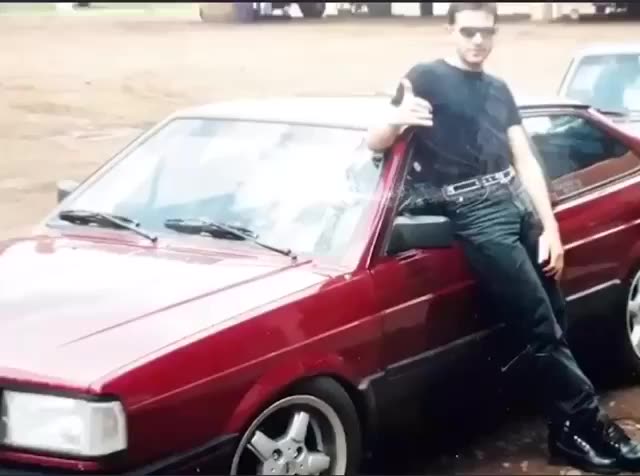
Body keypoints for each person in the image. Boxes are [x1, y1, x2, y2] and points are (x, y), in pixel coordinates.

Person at [365, 2, 640, 474]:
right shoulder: (425, 77)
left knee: (554, 315)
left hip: (515, 201)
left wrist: (550, 227)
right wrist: (396, 120)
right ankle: (588, 425)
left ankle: (566, 436)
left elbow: (525, 157)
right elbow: (376, 140)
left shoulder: (497, 88)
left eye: (486, 32)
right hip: (474, 212)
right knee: (538, 324)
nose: (478, 41)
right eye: (468, 31)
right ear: (450, 30)